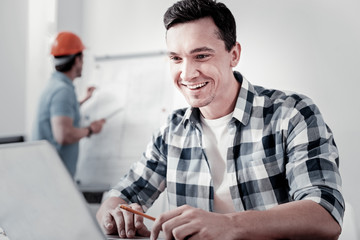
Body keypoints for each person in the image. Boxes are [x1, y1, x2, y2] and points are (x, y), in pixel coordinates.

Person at [96, 0, 345, 239]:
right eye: (176, 58)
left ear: (233, 54)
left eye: (201, 56)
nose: (187, 73)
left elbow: (324, 214)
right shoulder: (171, 131)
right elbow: (118, 197)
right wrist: (115, 213)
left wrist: (228, 225)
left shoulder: (291, 114)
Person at [32, 31, 106, 178]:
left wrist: (84, 100)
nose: (83, 63)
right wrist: (90, 130)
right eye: (83, 58)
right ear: (77, 60)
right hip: (53, 178)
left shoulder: (56, 85)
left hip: (49, 173)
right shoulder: (62, 91)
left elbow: (60, 113)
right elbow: (63, 135)